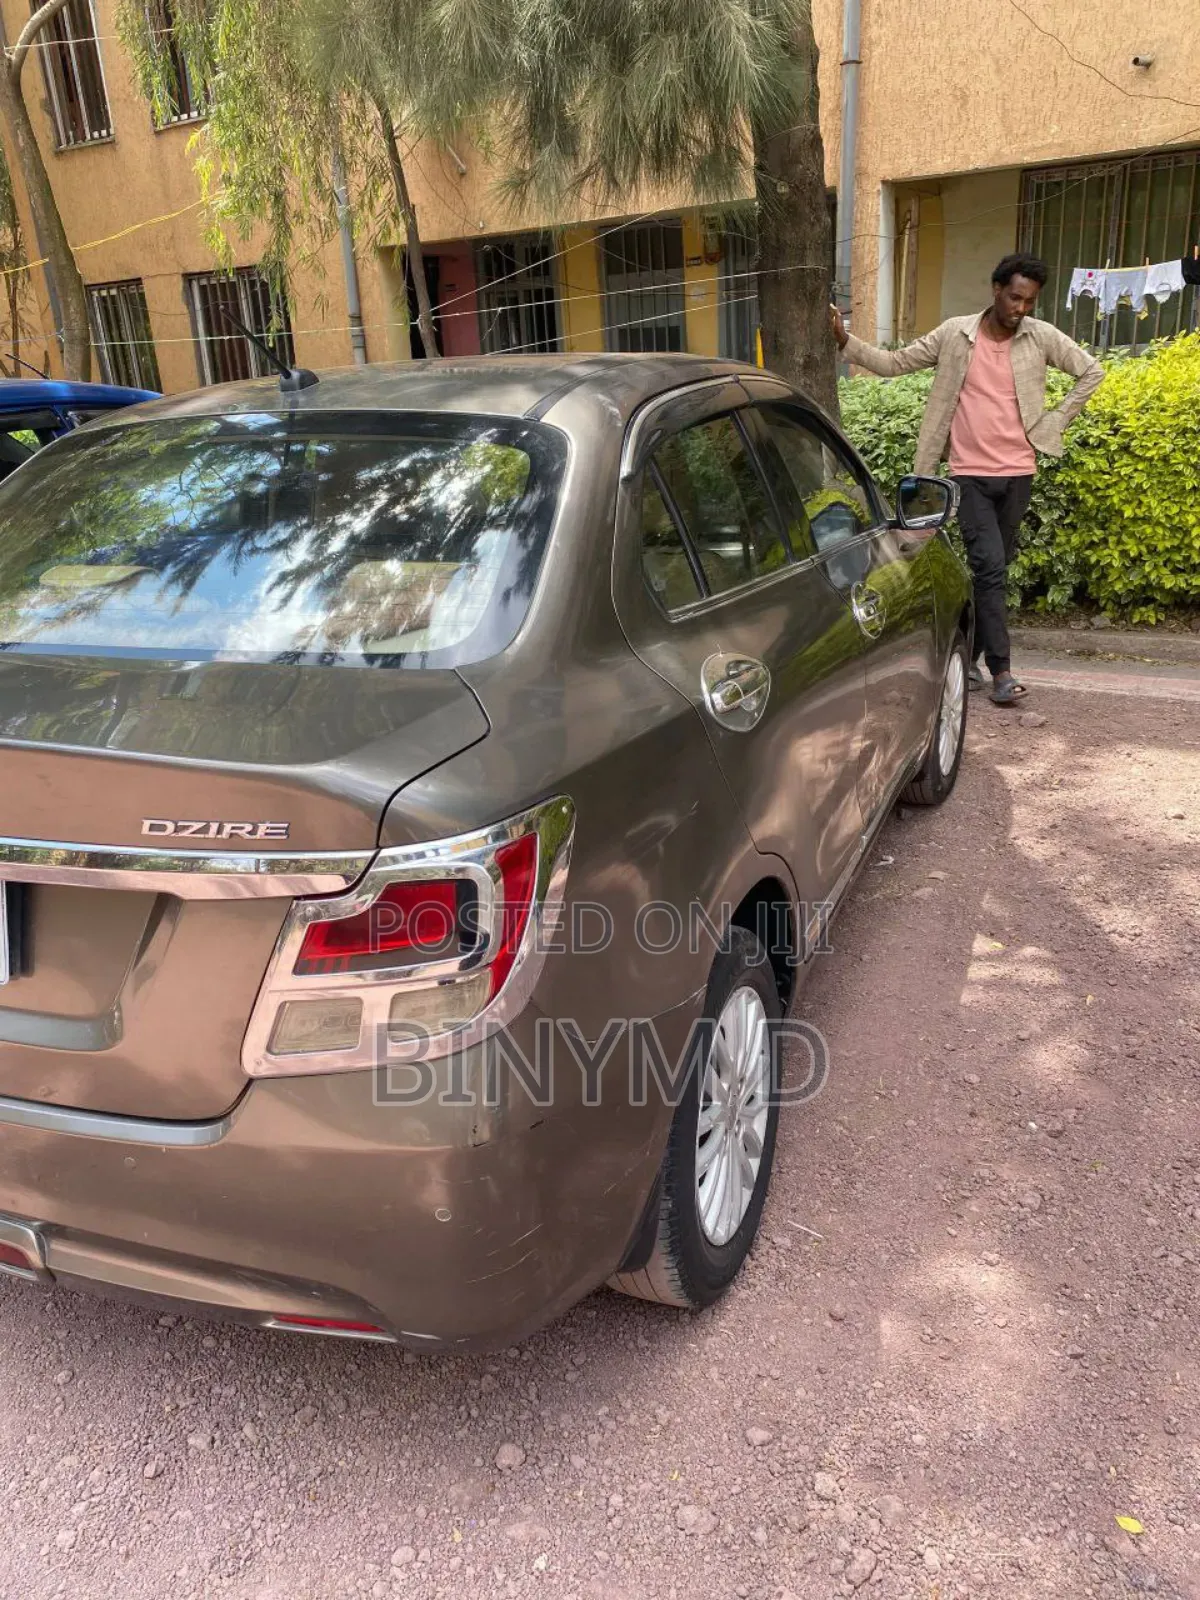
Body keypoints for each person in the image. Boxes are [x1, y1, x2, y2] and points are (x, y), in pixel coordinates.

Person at [829, 254, 1103, 706]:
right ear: (996, 289)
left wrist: (1054, 422)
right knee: (991, 569)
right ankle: (1002, 672)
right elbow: (895, 362)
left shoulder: (1039, 338)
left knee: (989, 576)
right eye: (1015, 297)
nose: (1021, 309)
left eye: (1030, 301)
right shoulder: (956, 334)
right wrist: (845, 341)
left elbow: (1091, 371)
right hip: (970, 475)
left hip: (1018, 474)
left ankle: (966, 658)